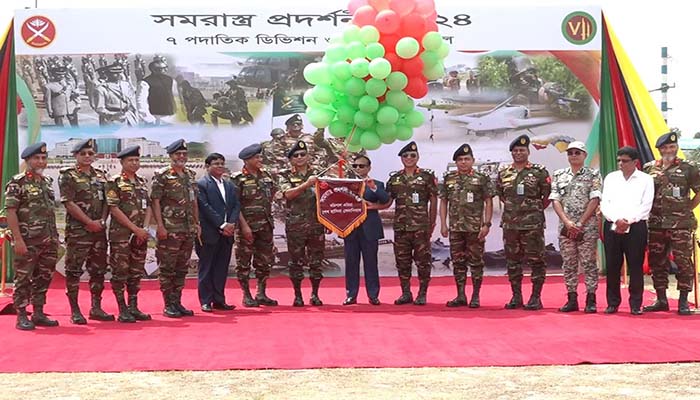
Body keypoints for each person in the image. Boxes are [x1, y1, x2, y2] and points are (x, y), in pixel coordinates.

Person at [643, 132, 700, 315]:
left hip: (681, 224)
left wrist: (687, 208)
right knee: (657, 262)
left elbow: (698, 191)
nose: (669, 150)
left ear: (676, 148)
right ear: (659, 150)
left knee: (683, 262)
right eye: (665, 148)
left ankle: (683, 301)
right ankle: (661, 300)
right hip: (656, 224)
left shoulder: (689, 168)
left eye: (672, 147)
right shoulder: (649, 168)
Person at [4, 143, 59, 330]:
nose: (41, 161)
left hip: (48, 240)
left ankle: (38, 312)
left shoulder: (47, 182)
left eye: (43, 158)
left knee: (43, 277)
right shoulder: (18, 182)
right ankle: (21, 315)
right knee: (23, 279)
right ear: (27, 160)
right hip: (27, 241)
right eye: (37, 158)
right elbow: (10, 212)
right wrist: (18, 239)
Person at [58, 139, 113, 324]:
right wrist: (89, 222)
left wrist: (102, 221)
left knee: (98, 270)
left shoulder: (101, 175)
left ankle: (96, 308)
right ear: (76, 155)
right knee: (73, 271)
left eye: (90, 153)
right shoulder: (68, 176)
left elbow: (107, 201)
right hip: (78, 232)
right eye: (83, 154)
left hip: (99, 231)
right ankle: (75, 310)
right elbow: (68, 202)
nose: (88, 157)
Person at [496, 134, 551, 310]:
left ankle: (536, 297)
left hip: (532, 225)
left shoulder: (539, 171)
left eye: (522, 150)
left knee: (536, 261)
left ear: (528, 152)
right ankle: (516, 296)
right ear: (511, 153)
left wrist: (531, 209)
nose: (518, 153)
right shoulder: (504, 172)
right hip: (510, 225)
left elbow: (547, 196)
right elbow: (503, 196)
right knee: (513, 262)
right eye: (515, 150)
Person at [600, 146, 654, 315]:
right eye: (619, 160)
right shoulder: (611, 178)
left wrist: (628, 221)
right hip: (612, 224)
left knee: (635, 266)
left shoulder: (646, 179)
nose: (620, 164)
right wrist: (617, 219)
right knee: (612, 266)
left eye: (624, 161)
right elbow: (604, 203)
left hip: (636, 226)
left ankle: (636, 303)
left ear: (635, 162)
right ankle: (613, 303)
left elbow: (646, 205)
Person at [439, 143, 494, 308]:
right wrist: (443, 224)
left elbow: (488, 202)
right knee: (458, 262)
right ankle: (461, 295)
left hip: (475, 228)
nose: (463, 162)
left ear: (473, 160)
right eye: (460, 159)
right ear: (456, 162)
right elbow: (443, 202)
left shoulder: (481, 179)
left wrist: (486, 224)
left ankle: (475, 296)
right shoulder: (449, 179)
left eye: (467, 159)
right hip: (456, 228)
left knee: (476, 263)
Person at [549, 141, 602, 313]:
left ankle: (591, 298)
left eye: (577, 153)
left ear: (585, 155)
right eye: (570, 153)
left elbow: (595, 200)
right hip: (566, 228)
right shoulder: (559, 175)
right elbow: (555, 200)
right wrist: (567, 222)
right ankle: (571, 298)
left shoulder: (593, 175)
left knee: (588, 263)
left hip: (587, 227)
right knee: (569, 263)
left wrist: (580, 223)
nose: (573, 156)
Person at [151, 139, 201, 317]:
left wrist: (197, 222)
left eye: (184, 154)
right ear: (171, 156)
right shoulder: (163, 175)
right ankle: (168, 304)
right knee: (167, 268)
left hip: (187, 229)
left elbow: (193, 201)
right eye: (178, 154)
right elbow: (155, 201)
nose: (181, 157)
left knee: (182, 267)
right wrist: (160, 226)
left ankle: (177, 302)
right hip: (170, 229)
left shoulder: (190, 175)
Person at [384, 141, 438, 305]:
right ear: (401, 158)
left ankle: (422, 294)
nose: (409, 158)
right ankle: (406, 293)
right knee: (402, 262)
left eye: (412, 155)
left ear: (417, 157)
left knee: (423, 261)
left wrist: (432, 222)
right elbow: (387, 201)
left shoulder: (426, 177)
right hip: (401, 227)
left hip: (421, 227)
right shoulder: (395, 178)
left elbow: (433, 200)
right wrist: (371, 204)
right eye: (405, 156)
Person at [105, 145, 153, 322]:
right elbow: (113, 208)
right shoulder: (115, 181)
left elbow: (147, 206)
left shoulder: (141, 182)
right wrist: (135, 229)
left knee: (136, 271)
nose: (134, 163)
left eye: (137, 160)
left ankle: (133, 306)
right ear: (122, 162)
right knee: (120, 272)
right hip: (122, 236)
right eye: (130, 160)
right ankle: (122, 308)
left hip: (140, 236)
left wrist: (145, 228)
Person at [230, 144, 279, 307]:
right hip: (247, 227)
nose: (260, 160)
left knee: (264, 261)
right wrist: (244, 226)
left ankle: (261, 293)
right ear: (247, 160)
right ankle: (246, 295)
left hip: (265, 225)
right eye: (257, 157)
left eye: (260, 157)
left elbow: (272, 196)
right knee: (244, 262)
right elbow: (235, 205)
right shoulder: (237, 179)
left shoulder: (266, 176)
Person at [279, 141, 325, 306]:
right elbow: (288, 195)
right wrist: (307, 184)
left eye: (302, 154)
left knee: (316, 262)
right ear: (291, 160)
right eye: (295, 155)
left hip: (316, 225)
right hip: (295, 226)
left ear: (308, 156)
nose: (299, 157)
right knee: (296, 262)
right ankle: (298, 295)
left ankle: (315, 295)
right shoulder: (284, 174)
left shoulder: (319, 173)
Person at [342, 155, 390, 306]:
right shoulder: (344, 185)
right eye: (355, 166)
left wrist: (372, 187)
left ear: (369, 168)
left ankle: (373, 295)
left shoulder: (377, 184)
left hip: (370, 229)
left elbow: (384, 199)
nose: (358, 169)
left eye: (361, 166)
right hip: (350, 228)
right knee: (351, 263)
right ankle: (351, 295)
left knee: (371, 263)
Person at [196, 153, 240, 312]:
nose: (220, 166)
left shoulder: (229, 185)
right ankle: (206, 300)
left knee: (221, 267)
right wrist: (221, 225)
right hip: (210, 232)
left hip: (227, 233)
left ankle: (219, 299)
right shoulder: (202, 184)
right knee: (207, 267)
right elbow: (205, 208)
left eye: (222, 163)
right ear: (207, 166)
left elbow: (235, 205)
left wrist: (231, 224)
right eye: (216, 163)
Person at [142, 59, 176, 125]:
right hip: (155, 117)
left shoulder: (170, 80)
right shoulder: (145, 82)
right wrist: (148, 118)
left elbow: (175, 96)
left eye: (166, 68)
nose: (165, 70)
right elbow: (141, 101)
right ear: (154, 70)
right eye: (162, 68)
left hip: (171, 116)